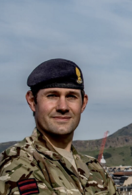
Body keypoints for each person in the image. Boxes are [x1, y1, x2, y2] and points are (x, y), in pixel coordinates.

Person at [0, 59, 117, 194]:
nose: (63, 107)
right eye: (52, 96)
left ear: (83, 104)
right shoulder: (17, 163)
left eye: (71, 96)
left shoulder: (94, 169)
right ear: (32, 101)